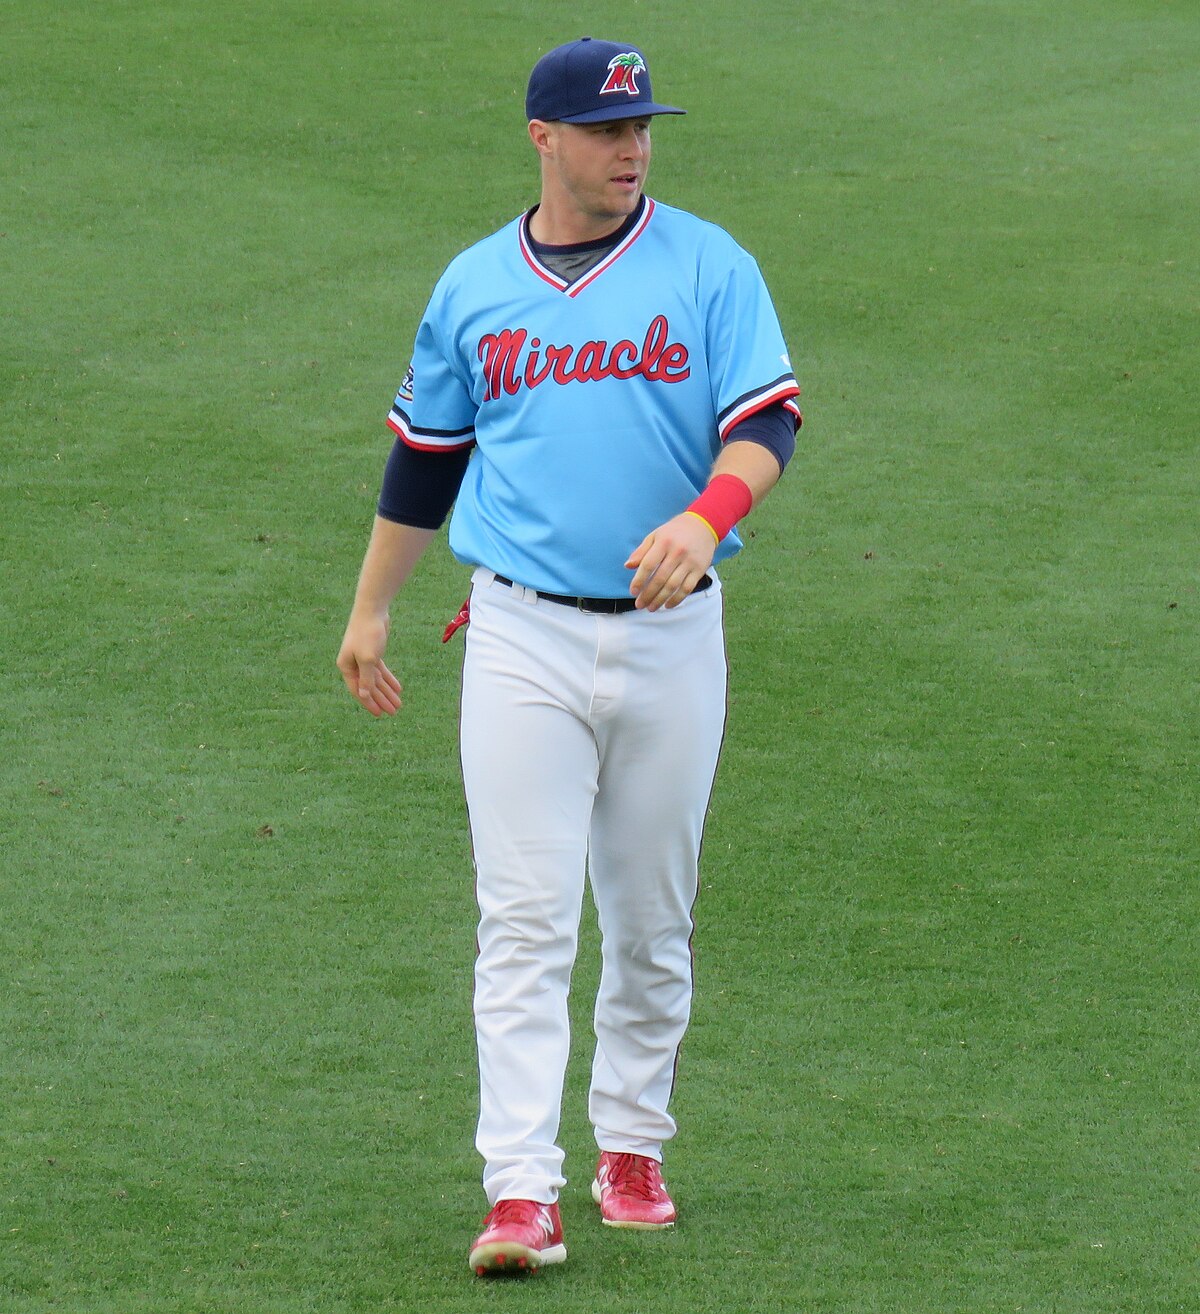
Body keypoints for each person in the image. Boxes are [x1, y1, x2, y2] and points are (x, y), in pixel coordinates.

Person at [336, 36, 800, 1276]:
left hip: (671, 639)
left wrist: (707, 520)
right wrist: (371, 607)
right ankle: (519, 1190)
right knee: (525, 918)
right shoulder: (475, 286)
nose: (632, 147)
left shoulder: (709, 265)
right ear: (544, 138)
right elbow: (424, 459)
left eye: (642, 126)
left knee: (651, 915)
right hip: (521, 638)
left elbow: (769, 424)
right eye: (607, 130)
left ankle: (633, 1142)